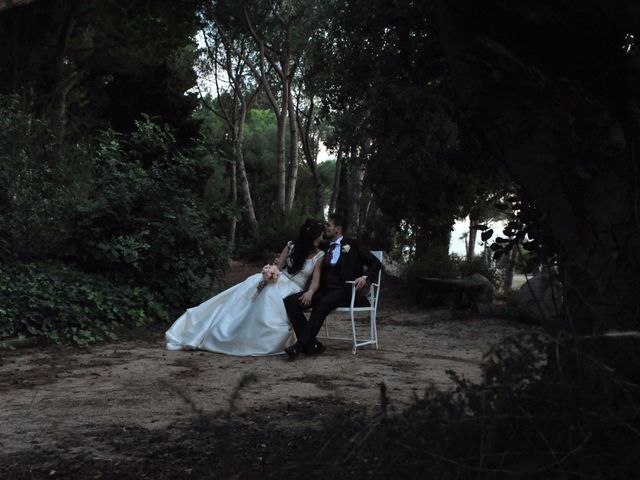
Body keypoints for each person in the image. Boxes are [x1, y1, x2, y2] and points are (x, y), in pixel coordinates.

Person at [165, 219, 326, 356]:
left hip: (294, 288)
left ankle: (258, 337)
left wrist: (310, 292)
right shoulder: (292, 246)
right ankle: (228, 329)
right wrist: (269, 274)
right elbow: (278, 265)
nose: (320, 241)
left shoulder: (319, 255)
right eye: (318, 238)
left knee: (270, 295)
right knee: (252, 284)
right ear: (309, 238)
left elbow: (316, 279)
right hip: (279, 278)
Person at [283, 213, 382, 359]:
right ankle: (312, 345)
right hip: (323, 289)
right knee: (291, 301)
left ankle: (300, 345)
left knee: (323, 302)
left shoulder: (353, 245)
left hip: (345, 291)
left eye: (328, 225)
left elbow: (376, 263)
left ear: (338, 229)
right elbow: (303, 243)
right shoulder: (322, 246)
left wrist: (364, 277)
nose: (325, 228)